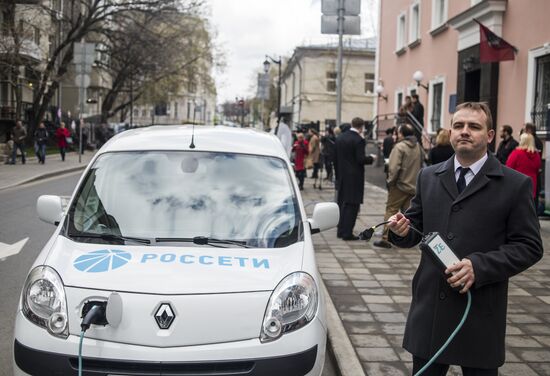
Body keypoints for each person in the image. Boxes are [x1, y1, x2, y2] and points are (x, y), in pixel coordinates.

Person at [388, 102, 543, 375]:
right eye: (458, 125)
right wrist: (400, 231)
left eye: (474, 126)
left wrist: (479, 267)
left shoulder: (514, 184)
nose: (465, 132)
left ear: (490, 135)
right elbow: (415, 227)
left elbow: (529, 246)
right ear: (450, 131)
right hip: (431, 311)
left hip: (479, 312)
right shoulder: (428, 176)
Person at [374, 123, 423, 249]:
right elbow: (423, 162)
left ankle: (386, 238)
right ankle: (406, 237)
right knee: (408, 214)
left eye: (398, 132)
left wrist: (390, 182)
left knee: (391, 210)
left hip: (399, 185)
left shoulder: (399, 147)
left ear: (401, 134)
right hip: (413, 185)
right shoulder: (418, 146)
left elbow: (394, 167)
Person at [334, 117, 374, 240]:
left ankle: (340, 230)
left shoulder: (340, 137)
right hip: (354, 177)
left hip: (342, 176)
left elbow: (335, 158)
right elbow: (360, 159)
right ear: (361, 127)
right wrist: (371, 158)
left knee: (342, 204)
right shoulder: (358, 140)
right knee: (352, 205)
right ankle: (347, 233)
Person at [506, 133, 541, 199]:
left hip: (517, 184)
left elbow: (508, 168)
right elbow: (537, 169)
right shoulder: (536, 155)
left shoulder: (516, 153)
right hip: (531, 184)